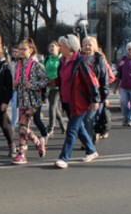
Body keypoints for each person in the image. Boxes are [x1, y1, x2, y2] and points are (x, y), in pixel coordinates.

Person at [54, 35, 101, 169]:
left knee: (72, 129)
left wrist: (95, 99)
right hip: (67, 100)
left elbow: (91, 80)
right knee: (79, 128)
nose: (59, 47)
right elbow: (61, 80)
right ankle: (91, 150)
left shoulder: (80, 61)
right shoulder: (62, 61)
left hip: (78, 102)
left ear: (69, 47)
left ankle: (64, 158)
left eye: (61, 45)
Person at [11, 38, 48, 165]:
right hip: (21, 101)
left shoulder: (37, 65)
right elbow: (17, 82)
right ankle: (38, 142)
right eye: (19, 49)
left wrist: (32, 85)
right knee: (23, 127)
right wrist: (14, 84)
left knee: (22, 125)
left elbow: (45, 81)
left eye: (24, 49)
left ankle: (22, 154)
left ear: (31, 50)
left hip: (33, 102)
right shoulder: (18, 65)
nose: (20, 51)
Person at [81, 36, 110, 143]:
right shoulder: (80, 59)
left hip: (96, 94)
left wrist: (105, 96)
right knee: (84, 119)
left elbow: (104, 78)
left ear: (94, 47)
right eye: (85, 45)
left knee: (89, 118)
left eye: (89, 45)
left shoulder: (99, 60)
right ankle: (90, 136)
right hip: (82, 94)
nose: (87, 47)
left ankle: (88, 141)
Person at [44, 41, 66, 137]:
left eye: (53, 46)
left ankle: (51, 128)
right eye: (50, 46)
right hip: (49, 85)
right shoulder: (47, 58)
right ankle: (63, 126)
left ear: (58, 48)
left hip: (58, 86)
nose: (51, 48)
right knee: (55, 108)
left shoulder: (61, 59)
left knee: (52, 106)